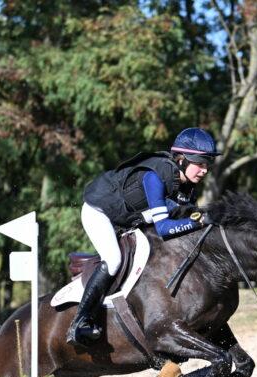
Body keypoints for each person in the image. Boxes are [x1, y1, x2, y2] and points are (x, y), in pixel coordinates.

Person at [68, 127, 221, 345]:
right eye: (200, 163)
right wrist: (199, 221)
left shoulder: (186, 186)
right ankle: (80, 322)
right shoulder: (154, 177)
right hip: (99, 211)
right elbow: (165, 229)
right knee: (113, 260)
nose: (205, 170)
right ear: (181, 160)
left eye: (207, 164)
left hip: (132, 217)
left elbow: (186, 221)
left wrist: (201, 219)